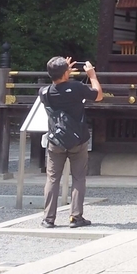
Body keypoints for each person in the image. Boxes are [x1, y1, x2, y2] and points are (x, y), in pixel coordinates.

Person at [41, 56, 104, 228]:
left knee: (52, 178)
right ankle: (76, 217)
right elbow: (98, 95)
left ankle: (48, 218)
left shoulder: (44, 92)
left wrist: (63, 70)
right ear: (65, 73)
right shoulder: (77, 87)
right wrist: (92, 75)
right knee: (78, 178)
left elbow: (59, 84)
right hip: (78, 139)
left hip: (56, 140)